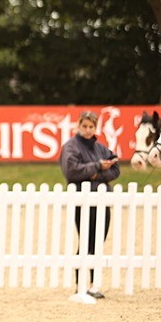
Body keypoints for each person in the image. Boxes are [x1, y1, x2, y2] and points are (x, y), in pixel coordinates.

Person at [59, 110, 121, 298]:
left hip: (102, 201)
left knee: (98, 243)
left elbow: (116, 168)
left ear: (95, 127)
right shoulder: (71, 147)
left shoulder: (101, 148)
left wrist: (97, 174)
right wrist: (96, 167)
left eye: (91, 126)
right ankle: (80, 284)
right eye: (84, 126)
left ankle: (94, 284)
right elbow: (72, 171)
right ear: (78, 126)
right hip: (82, 201)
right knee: (85, 241)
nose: (87, 130)